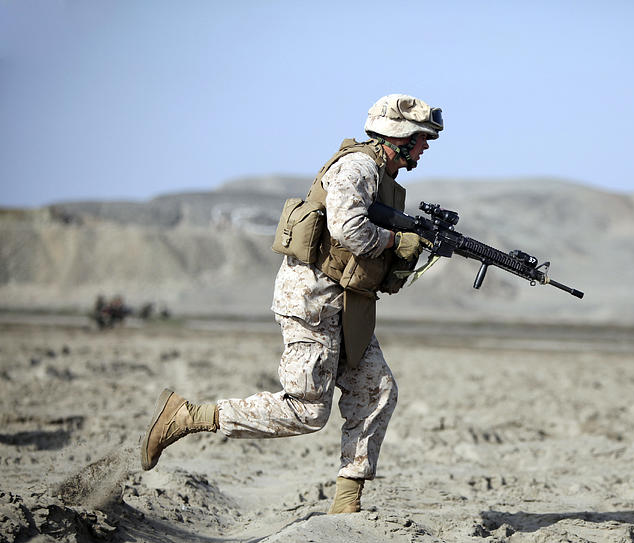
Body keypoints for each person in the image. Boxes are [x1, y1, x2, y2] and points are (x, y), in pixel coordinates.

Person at [140, 94, 443, 514]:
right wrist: (396, 240)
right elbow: (350, 231)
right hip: (312, 301)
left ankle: (346, 507)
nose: (426, 147)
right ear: (401, 137)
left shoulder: (379, 174)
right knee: (306, 410)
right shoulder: (357, 168)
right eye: (423, 138)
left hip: (346, 304)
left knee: (376, 391)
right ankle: (187, 416)